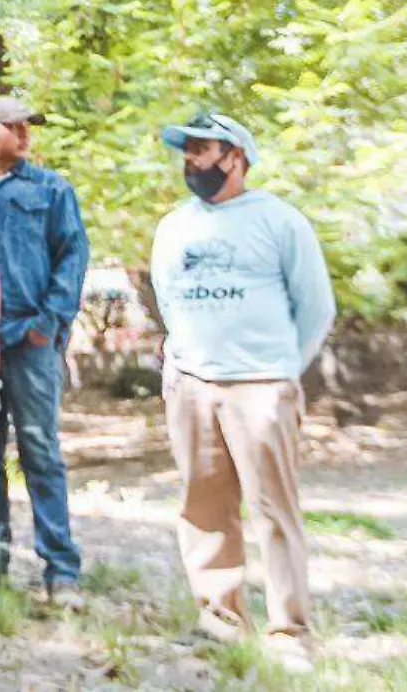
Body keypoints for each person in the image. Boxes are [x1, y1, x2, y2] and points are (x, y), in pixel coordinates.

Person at [151, 112, 334, 674]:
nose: (192, 162)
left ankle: (290, 630)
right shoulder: (175, 226)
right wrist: (180, 368)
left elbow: (316, 307)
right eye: (187, 152)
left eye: (204, 151)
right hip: (192, 385)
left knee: (274, 509)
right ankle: (220, 618)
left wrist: (279, 374)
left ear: (237, 157)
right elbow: (167, 298)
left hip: (261, 387)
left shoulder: (280, 221)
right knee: (203, 507)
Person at [0, 96, 91, 605]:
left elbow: (73, 254)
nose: (25, 135)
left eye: (29, 128)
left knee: (40, 451)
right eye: (15, 127)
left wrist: (49, 322)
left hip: (30, 344)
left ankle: (60, 569)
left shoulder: (51, 189)